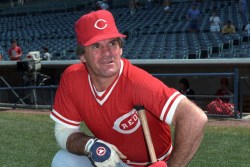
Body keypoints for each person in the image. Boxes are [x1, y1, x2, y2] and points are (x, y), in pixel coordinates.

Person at [50, 10, 207, 167]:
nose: (107, 53)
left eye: (113, 43)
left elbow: (195, 118)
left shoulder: (137, 82)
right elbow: (64, 132)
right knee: (64, 161)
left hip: (154, 163)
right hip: (112, 159)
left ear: (121, 49)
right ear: (82, 55)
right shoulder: (72, 78)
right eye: (96, 46)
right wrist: (90, 145)